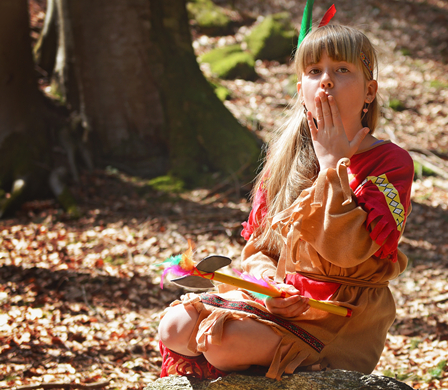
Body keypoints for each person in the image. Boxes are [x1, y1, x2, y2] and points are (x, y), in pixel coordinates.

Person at [157, 23, 414, 380]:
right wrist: (268, 287)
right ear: (301, 89)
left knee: (220, 341)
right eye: (314, 71)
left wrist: (331, 168)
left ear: (370, 91)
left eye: (342, 70)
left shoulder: (391, 162)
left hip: (340, 316)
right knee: (175, 326)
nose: (326, 81)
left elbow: (349, 252)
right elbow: (259, 249)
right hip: (279, 306)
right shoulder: (285, 158)